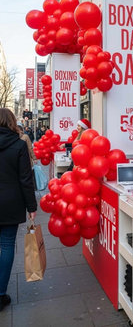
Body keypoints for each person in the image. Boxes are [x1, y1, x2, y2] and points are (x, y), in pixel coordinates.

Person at [0, 108, 37, 312]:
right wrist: (32, 207)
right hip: (10, 203)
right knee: (6, 246)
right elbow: (25, 179)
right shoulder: (19, 144)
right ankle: (0, 293)